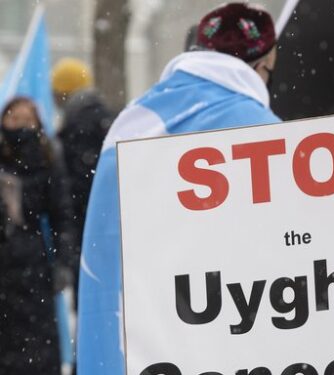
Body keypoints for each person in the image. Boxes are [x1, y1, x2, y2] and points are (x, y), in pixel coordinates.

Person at [76, 3, 281, 374]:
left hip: (149, 337)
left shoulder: (132, 122)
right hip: (235, 328)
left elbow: (105, 253)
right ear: (259, 64)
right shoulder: (261, 128)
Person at [0, 97, 78, 374]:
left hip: (35, 268)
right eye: (14, 118)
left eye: (26, 119)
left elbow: (62, 215)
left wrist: (63, 261)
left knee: (38, 348)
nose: (20, 125)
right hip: (6, 267)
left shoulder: (47, 160)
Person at [51, 58, 114, 284]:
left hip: (89, 228)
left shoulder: (78, 123)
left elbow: (79, 182)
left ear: (63, 93)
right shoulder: (105, 116)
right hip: (108, 224)